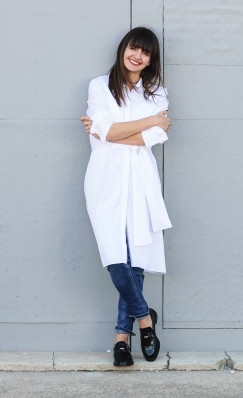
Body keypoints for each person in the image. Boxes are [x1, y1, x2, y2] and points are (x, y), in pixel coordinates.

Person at [80, 26, 172, 366]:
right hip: (104, 176)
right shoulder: (99, 85)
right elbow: (139, 130)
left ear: (151, 60)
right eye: (134, 48)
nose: (138, 56)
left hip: (140, 177)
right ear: (124, 49)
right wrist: (150, 122)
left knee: (136, 254)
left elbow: (144, 137)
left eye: (146, 53)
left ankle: (122, 340)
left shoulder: (157, 91)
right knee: (114, 255)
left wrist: (107, 133)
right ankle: (145, 318)